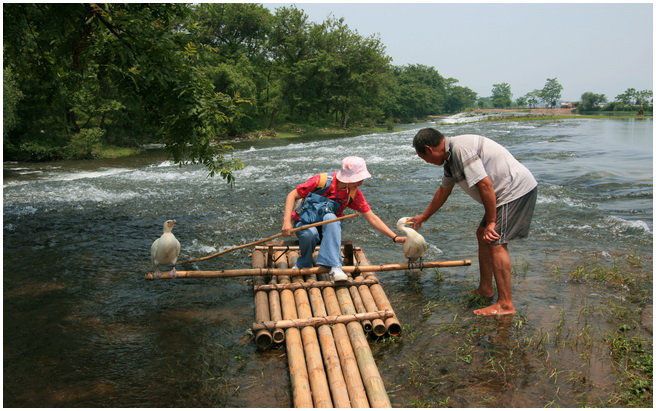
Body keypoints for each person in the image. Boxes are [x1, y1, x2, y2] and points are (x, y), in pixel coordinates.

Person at [410, 128, 537, 316]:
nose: (427, 162)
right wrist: (424, 216)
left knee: (495, 241)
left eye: (424, 159)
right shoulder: (449, 158)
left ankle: (505, 305)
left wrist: (492, 222)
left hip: (514, 191)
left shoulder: (461, 150)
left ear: (429, 150)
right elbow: (443, 191)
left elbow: (485, 185)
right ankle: (486, 289)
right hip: (502, 195)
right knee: (482, 234)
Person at [282, 156, 405, 282]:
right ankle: (304, 261)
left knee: (331, 218)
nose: (361, 182)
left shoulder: (353, 193)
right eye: (358, 178)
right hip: (305, 223)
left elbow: (372, 217)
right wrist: (286, 222)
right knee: (310, 234)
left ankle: (335, 266)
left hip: (329, 230)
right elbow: (292, 195)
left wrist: (394, 237)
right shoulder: (321, 181)